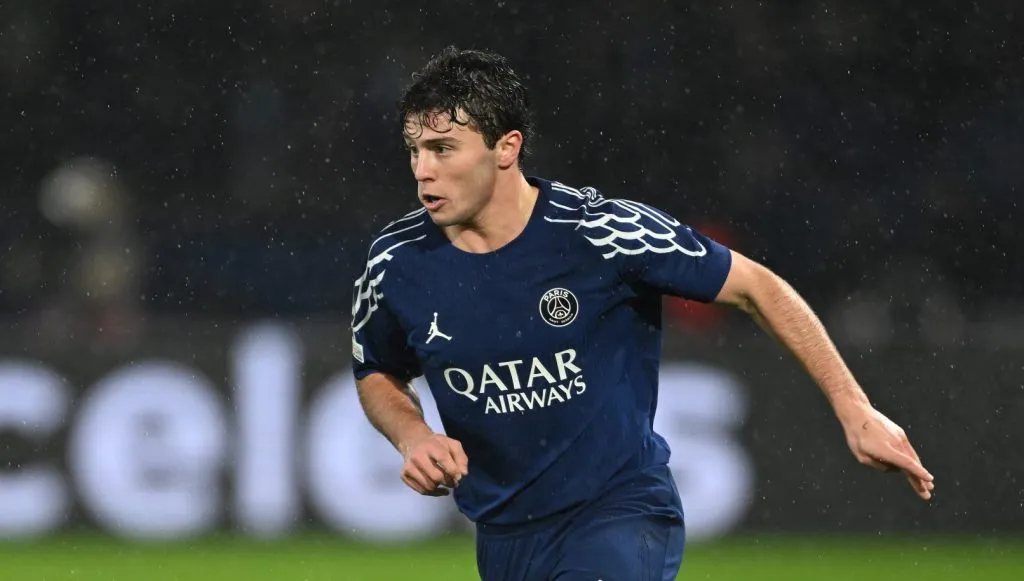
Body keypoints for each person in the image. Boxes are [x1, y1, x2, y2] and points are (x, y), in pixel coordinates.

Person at [350, 47, 934, 581]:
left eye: (443, 148)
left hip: (619, 515)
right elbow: (376, 369)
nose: (422, 170)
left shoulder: (603, 232)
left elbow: (759, 288)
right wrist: (412, 435)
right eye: (415, 150)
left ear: (507, 147)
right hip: (504, 540)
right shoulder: (395, 262)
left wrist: (853, 405)